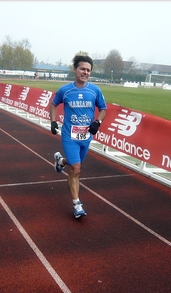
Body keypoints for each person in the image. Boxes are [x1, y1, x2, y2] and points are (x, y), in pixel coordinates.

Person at [49, 55, 107, 218]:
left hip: (85, 136)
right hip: (69, 135)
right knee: (76, 168)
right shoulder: (65, 90)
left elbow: (103, 109)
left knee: (76, 164)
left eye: (88, 70)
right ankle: (77, 204)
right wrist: (53, 122)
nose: (85, 72)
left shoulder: (95, 90)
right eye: (82, 69)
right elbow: (54, 104)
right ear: (74, 69)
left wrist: (98, 122)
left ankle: (60, 161)